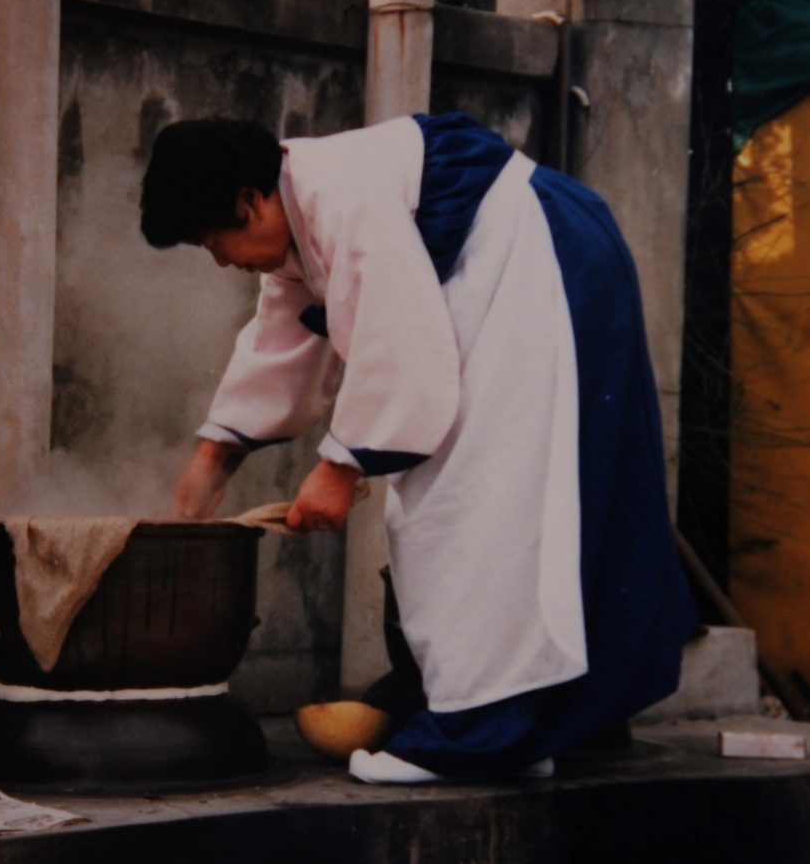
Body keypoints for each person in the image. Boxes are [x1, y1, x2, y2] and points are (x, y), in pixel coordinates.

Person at [140, 113, 696, 784]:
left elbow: (397, 338)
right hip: (536, 254)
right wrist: (212, 458)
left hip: (540, 257)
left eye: (214, 242)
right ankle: (527, 730)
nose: (222, 261)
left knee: (472, 494)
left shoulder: (339, 193)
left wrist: (339, 467)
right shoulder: (295, 206)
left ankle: (475, 734)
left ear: (248, 201)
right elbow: (281, 339)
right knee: (521, 496)